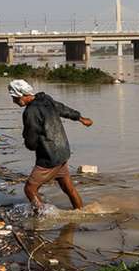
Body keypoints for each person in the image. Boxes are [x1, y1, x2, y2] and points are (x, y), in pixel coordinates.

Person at [8, 79, 92, 210]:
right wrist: (81, 118)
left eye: (14, 98)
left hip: (49, 156)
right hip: (63, 151)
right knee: (68, 188)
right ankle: (81, 212)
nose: (14, 101)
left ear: (21, 95)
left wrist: (30, 145)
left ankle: (42, 217)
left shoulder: (30, 112)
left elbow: (31, 138)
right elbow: (63, 109)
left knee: (30, 189)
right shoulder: (45, 99)